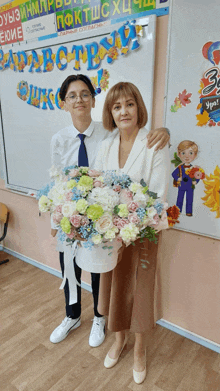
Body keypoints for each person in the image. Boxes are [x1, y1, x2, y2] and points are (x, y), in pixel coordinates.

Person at [49, 74, 170, 348]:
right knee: (75, 268)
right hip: (81, 218)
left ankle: (103, 322)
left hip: (125, 228)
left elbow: (152, 188)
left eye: (84, 94)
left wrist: (166, 131)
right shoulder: (67, 139)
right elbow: (59, 179)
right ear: (63, 103)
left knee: (118, 281)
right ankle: (74, 316)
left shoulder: (112, 135)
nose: (78, 100)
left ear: (93, 100)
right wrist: (59, 216)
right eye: (72, 95)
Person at [92, 82, 170, 384]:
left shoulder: (154, 143)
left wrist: (130, 228)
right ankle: (119, 339)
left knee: (140, 290)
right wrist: (111, 227)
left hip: (145, 233)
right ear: (110, 112)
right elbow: (99, 188)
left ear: (138, 108)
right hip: (112, 235)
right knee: (114, 287)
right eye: (116, 106)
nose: (123, 111)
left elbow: (159, 197)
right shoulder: (106, 145)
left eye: (129, 104)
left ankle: (140, 348)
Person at [172, 140, 199, 216]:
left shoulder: (194, 168)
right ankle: (178, 211)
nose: (187, 156)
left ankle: (189, 211)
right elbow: (173, 174)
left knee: (189, 199)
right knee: (180, 198)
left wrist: (196, 181)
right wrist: (177, 178)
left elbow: (198, 175)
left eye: (190, 153)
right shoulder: (180, 167)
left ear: (195, 155)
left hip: (190, 186)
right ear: (179, 154)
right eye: (183, 153)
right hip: (182, 185)